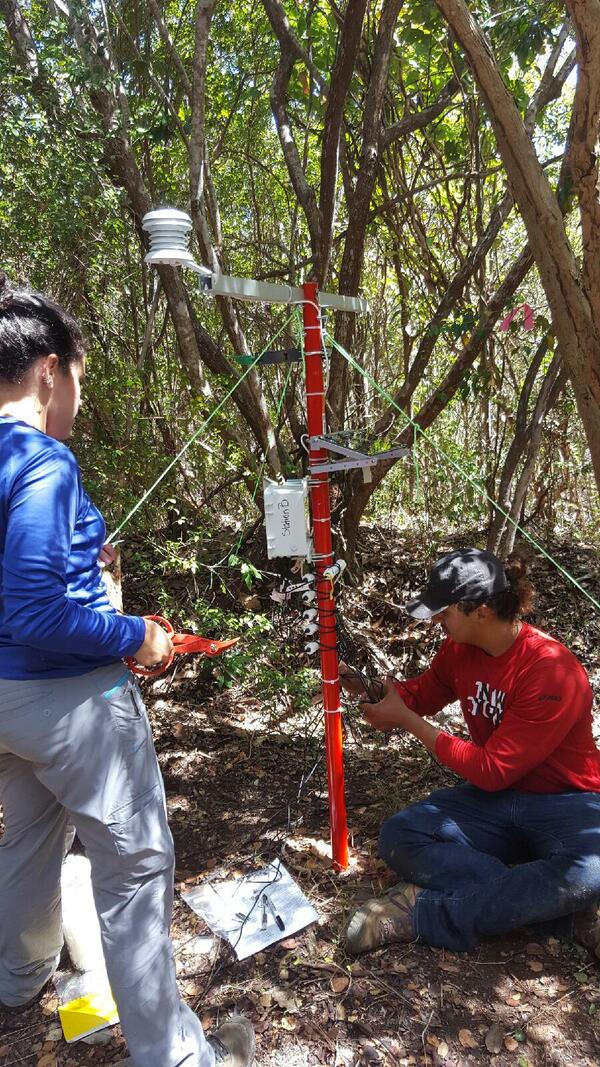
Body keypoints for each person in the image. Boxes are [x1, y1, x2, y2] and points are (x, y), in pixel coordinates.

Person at [0, 273, 255, 1067]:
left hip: (8, 702)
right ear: (50, 368)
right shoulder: (42, 460)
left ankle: (18, 978)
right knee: (136, 867)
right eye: (78, 376)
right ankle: (177, 1055)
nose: (78, 393)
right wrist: (135, 633)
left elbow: (27, 580)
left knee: (30, 841)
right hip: (70, 704)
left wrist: (84, 561)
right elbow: (37, 611)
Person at [342, 548, 600, 957]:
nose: (438, 623)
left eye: (444, 613)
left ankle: (424, 912)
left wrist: (407, 720)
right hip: (495, 804)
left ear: (479, 611)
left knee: (591, 870)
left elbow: (492, 769)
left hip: (566, 802)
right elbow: (422, 694)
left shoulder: (551, 670)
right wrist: (377, 693)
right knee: (400, 835)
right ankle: (555, 910)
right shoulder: (459, 650)